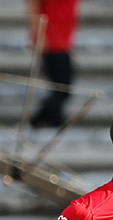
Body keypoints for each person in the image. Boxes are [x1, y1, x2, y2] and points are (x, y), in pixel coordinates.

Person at [26, 0, 78, 128]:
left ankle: (47, 120)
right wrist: (38, 34)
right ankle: (40, 121)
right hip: (51, 42)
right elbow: (33, 5)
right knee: (62, 88)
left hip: (63, 40)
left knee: (62, 87)